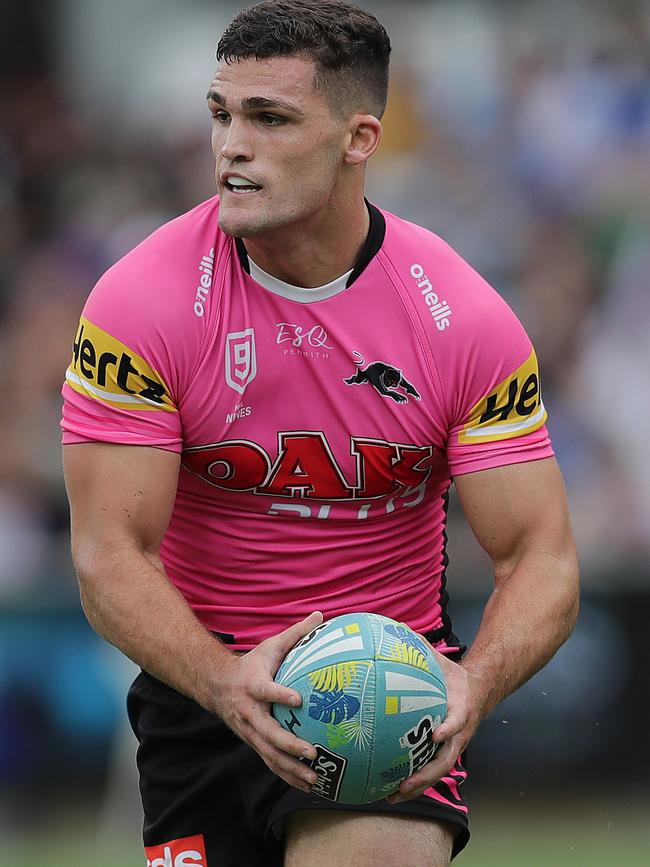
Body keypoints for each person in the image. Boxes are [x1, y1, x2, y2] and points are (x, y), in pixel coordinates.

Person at [61, 2, 579, 865]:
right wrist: (228, 685)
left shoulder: (461, 321)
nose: (232, 144)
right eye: (222, 113)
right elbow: (108, 552)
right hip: (200, 696)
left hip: (383, 706)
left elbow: (542, 554)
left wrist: (472, 683)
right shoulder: (136, 305)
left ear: (359, 137)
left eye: (270, 118)